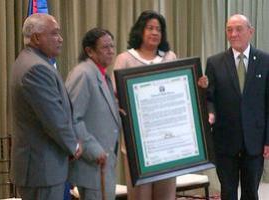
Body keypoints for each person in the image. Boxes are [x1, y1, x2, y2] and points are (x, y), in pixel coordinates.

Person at [112, 10, 208, 200]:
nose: (154, 32)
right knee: (140, 194)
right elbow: (115, 96)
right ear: (140, 30)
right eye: (150, 28)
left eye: (158, 29)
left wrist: (197, 85)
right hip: (139, 143)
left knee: (166, 194)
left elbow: (182, 91)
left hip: (167, 143)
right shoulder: (125, 59)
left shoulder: (169, 57)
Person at [10, 13, 82, 200]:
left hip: (43, 168)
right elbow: (54, 118)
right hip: (42, 169)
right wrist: (73, 145)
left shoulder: (31, 61)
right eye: (54, 33)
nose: (60, 39)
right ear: (36, 38)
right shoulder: (36, 68)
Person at [205, 14, 269, 200]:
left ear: (251, 31)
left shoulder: (265, 61)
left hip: (254, 142)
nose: (233, 34)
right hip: (225, 141)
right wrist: (210, 112)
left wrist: (267, 140)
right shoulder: (214, 63)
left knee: (251, 193)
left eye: (238, 29)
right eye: (229, 29)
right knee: (228, 192)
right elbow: (209, 97)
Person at [66, 28, 121, 200]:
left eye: (112, 46)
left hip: (103, 165)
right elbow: (72, 119)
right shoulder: (83, 74)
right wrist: (95, 151)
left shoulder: (101, 74)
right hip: (92, 162)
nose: (111, 51)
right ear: (89, 51)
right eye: (105, 47)